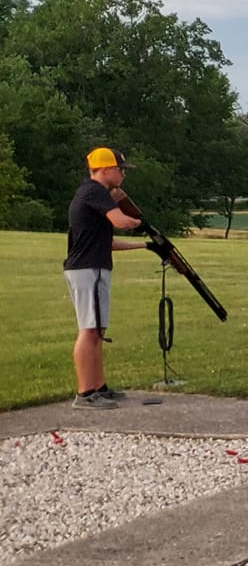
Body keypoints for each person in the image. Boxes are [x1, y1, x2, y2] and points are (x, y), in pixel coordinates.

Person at [64, 147, 147, 409]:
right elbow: (120, 221)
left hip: (94, 266)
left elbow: (106, 242)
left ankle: (99, 387)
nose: (122, 173)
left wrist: (144, 246)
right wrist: (137, 221)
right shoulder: (94, 191)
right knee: (89, 331)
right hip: (87, 269)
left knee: (98, 330)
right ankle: (85, 393)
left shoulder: (95, 195)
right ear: (104, 169)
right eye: (119, 169)